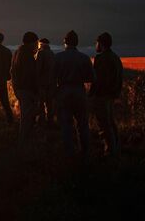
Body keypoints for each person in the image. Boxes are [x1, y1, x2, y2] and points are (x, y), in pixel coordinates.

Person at [53, 30, 94, 158]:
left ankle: (69, 153)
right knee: (82, 124)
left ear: (65, 42)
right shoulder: (84, 58)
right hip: (79, 91)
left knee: (66, 124)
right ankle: (86, 152)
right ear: (77, 43)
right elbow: (91, 77)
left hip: (64, 91)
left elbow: (52, 77)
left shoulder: (58, 57)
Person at [89, 32, 123, 157]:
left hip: (102, 96)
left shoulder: (101, 59)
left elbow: (97, 79)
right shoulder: (115, 57)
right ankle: (116, 148)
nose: (95, 45)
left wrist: (91, 94)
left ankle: (110, 151)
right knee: (110, 122)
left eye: (96, 42)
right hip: (111, 95)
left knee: (104, 123)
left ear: (101, 44)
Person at [11, 31, 39, 149]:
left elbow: (12, 71)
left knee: (25, 117)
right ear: (32, 42)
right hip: (27, 90)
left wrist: (15, 88)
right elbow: (31, 75)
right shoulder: (27, 55)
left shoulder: (17, 52)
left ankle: (24, 142)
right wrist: (35, 92)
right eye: (36, 43)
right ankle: (24, 143)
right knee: (27, 118)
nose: (37, 46)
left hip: (20, 89)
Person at [36, 38, 56, 127]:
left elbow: (38, 69)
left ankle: (41, 121)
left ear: (41, 44)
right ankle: (50, 121)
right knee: (49, 103)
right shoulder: (52, 54)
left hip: (42, 83)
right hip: (52, 82)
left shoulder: (41, 53)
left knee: (41, 103)